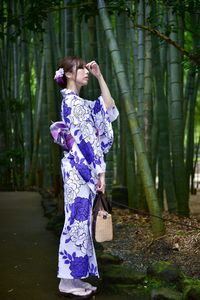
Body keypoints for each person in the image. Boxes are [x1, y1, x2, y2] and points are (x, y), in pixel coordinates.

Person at [50, 56, 119, 297]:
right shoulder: (74, 104)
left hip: (79, 171)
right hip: (79, 171)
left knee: (79, 224)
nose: (85, 71)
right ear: (69, 74)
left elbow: (108, 108)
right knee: (75, 224)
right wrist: (99, 173)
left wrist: (100, 76)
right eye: (81, 69)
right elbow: (88, 142)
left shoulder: (78, 102)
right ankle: (66, 281)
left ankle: (74, 279)